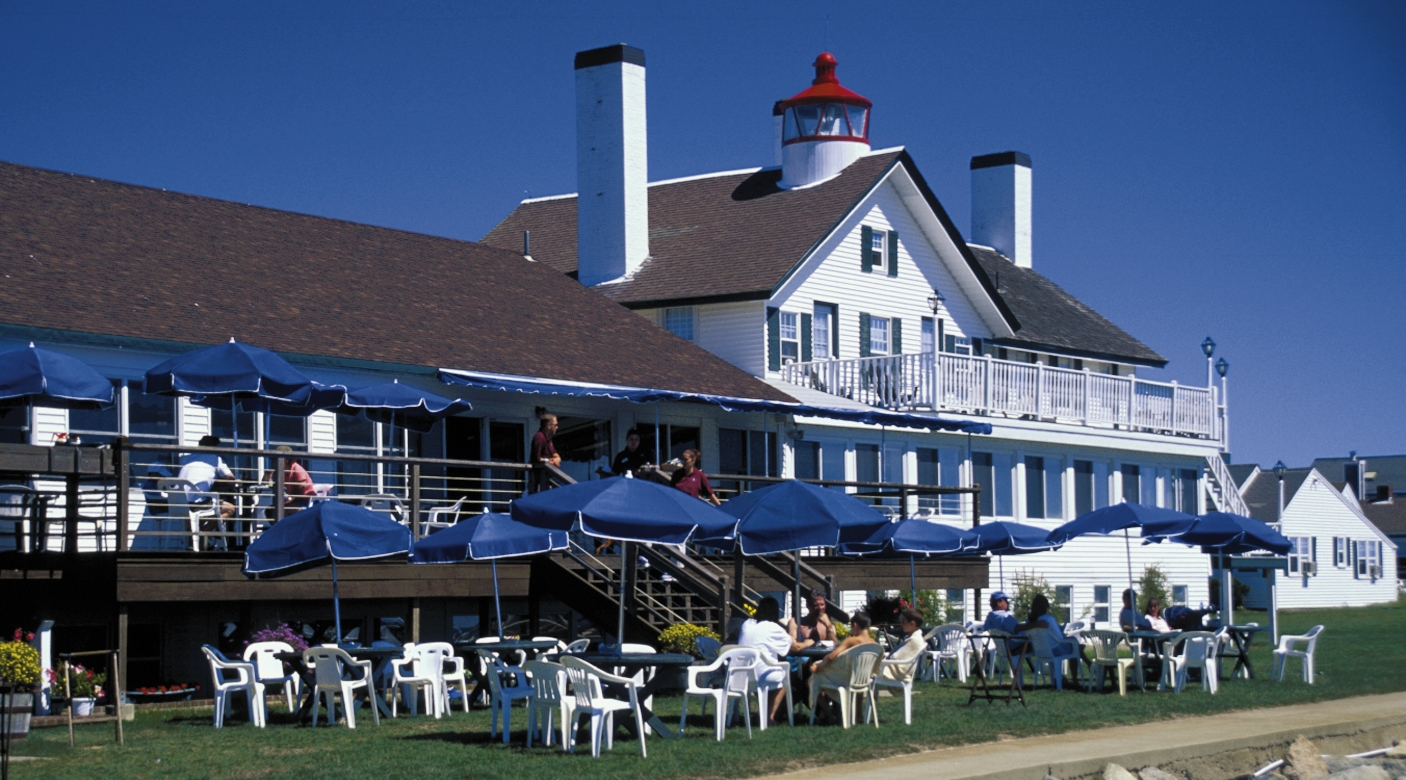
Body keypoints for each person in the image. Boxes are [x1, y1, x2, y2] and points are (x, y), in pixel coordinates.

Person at [738, 597, 813, 724]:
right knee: (786, 676)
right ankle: (769, 717)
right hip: (761, 674)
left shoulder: (747, 624)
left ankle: (766, 712)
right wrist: (807, 643)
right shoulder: (772, 627)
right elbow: (796, 647)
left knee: (778, 673)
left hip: (741, 673)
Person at [808, 612, 879, 720]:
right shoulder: (873, 643)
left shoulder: (852, 640)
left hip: (845, 679)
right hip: (862, 678)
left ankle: (829, 715)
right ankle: (858, 716)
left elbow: (832, 656)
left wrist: (818, 667)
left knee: (812, 680)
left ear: (855, 625)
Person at [177, 435, 235, 519]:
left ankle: (193, 530)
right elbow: (231, 480)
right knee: (230, 509)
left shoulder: (187, 458)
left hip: (177, 503)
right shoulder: (215, 458)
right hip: (195, 504)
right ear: (215, 447)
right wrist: (216, 480)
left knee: (204, 505)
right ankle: (204, 531)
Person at [1015, 594, 1079, 659]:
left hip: (1039, 652)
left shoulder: (1029, 622)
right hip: (1055, 650)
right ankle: (1082, 666)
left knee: (1075, 644)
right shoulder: (1049, 619)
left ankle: (1087, 662)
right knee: (1074, 643)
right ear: (1045, 607)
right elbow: (1060, 638)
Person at [262, 445, 316, 515]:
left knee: (279, 511)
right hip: (291, 501)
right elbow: (264, 485)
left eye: (277, 459)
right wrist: (267, 476)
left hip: (304, 502)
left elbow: (300, 495)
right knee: (269, 511)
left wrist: (283, 503)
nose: (274, 462)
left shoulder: (297, 470)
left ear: (286, 460)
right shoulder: (281, 471)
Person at [879, 608, 926, 682]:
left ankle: (861, 691)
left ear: (912, 623)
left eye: (903, 622)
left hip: (898, 674)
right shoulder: (912, 637)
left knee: (866, 667)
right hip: (895, 668)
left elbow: (896, 657)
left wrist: (882, 659)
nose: (901, 624)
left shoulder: (914, 640)